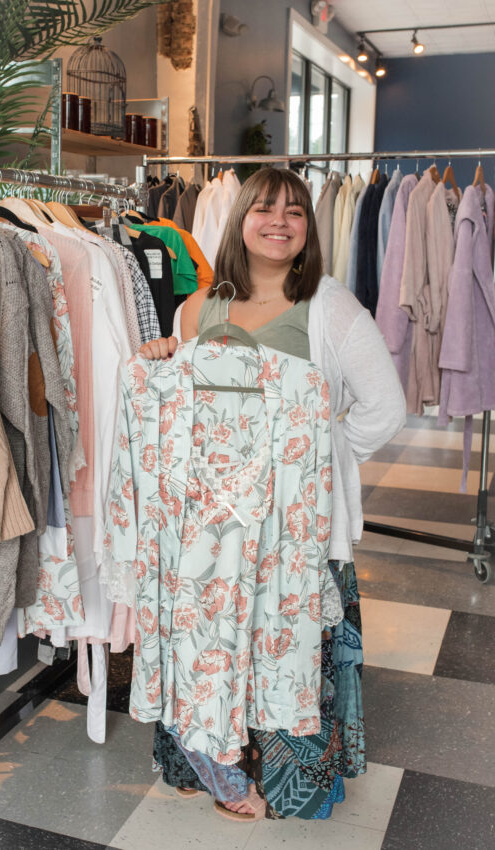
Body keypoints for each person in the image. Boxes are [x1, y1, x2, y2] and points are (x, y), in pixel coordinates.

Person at [137, 167, 406, 821]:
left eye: (294, 211)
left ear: (308, 228)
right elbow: (184, 408)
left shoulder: (330, 305)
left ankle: (293, 784)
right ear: (240, 221)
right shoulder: (198, 308)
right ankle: (214, 770)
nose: (279, 221)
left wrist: (320, 456)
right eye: (264, 208)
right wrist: (161, 360)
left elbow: (386, 409)